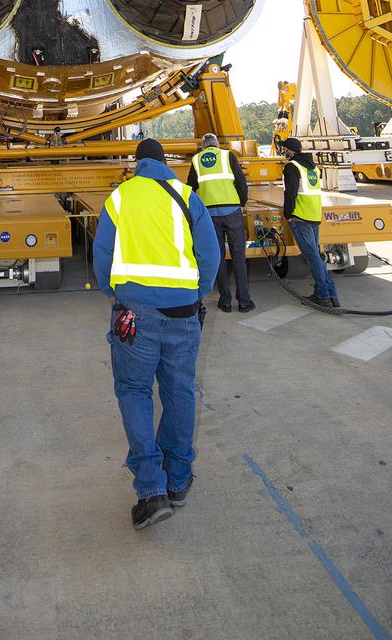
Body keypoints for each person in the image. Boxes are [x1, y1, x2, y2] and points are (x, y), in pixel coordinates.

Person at [93, 138, 220, 531]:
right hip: (183, 312)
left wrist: (113, 293)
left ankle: (151, 489)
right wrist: (196, 294)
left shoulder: (119, 198)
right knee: (179, 391)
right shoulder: (186, 195)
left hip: (134, 314)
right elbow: (210, 255)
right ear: (165, 164)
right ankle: (179, 480)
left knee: (134, 391)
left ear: (136, 164)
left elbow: (102, 254)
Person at [187, 132, 254, 313]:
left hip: (209, 215)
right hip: (232, 212)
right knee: (239, 256)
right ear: (216, 144)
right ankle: (244, 301)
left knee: (218, 258)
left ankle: (225, 301)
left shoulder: (197, 160)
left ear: (203, 146)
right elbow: (241, 183)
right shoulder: (227, 156)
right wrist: (241, 202)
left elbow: (190, 188)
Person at [278, 137, 339, 308]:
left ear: (290, 150)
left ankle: (323, 295)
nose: (283, 152)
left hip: (300, 216)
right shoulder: (312, 168)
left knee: (313, 258)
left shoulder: (292, 167)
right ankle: (331, 294)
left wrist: (288, 214)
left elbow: (290, 193)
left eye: (284, 149)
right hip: (313, 216)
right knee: (317, 257)